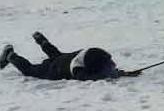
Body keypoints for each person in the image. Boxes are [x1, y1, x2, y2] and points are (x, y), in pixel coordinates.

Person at [0, 32, 138, 81]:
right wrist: (112, 75)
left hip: (65, 59)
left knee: (56, 54)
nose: (111, 64)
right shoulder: (78, 69)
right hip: (55, 69)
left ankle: (43, 42)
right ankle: (11, 56)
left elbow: (106, 68)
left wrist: (122, 73)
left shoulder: (90, 55)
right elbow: (86, 77)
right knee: (30, 70)